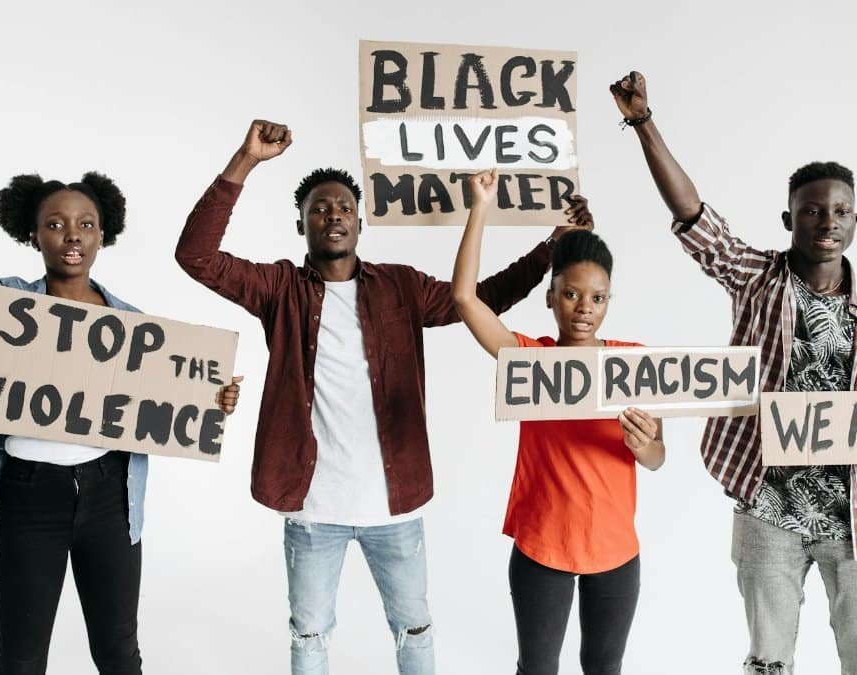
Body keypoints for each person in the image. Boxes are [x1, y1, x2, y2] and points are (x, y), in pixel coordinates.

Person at [174, 120, 591, 674]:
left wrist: (548, 252)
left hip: (394, 505)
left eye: (344, 207)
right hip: (311, 508)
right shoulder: (278, 289)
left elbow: (479, 300)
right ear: (301, 223)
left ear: (361, 220)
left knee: (414, 629)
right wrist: (244, 161)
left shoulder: (400, 286)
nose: (334, 216)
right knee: (309, 635)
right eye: (320, 209)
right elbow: (196, 256)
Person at [0, 109, 241, 675]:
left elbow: (168, 405)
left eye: (85, 223)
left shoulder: (135, 327)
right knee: (23, 659)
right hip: (29, 495)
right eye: (55, 224)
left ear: (104, 232)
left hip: (111, 498)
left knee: (118, 654)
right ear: (32, 234)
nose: (72, 234)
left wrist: (212, 400)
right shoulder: (0, 306)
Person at [609, 72, 857, 674]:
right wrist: (643, 122)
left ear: (855, 221)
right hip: (767, 510)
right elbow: (694, 218)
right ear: (789, 220)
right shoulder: (757, 278)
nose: (826, 221)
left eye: (840, 211)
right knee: (767, 661)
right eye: (811, 211)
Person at [451, 169, 665, 675]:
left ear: (609, 301)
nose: (584, 308)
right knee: (538, 668)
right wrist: (480, 206)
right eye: (571, 294)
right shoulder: (529, 360)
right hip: (542, 547)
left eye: (597, 298)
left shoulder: (633, 363)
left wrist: (646, 446)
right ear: (551, 297)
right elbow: (464, 299)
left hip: (615, 552)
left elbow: (658, 458)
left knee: (603, 668)